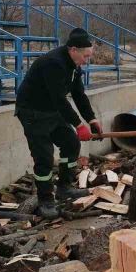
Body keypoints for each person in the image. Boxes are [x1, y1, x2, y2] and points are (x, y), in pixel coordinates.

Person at [15, 28, 101, 219]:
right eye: (85, 56)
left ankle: (64, 187)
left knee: (71, 143)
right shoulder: (54, 63)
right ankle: (45, 200)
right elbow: (59, 100)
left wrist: (91, 119)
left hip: (51, 111)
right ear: (73, 50)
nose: (86, 61)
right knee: (44, 156)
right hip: (33, 112)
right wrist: (79, 125)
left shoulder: (73, 66)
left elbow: (79, 95)